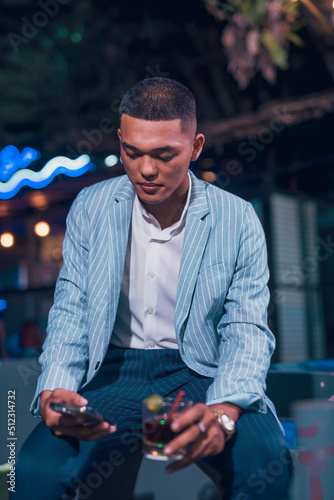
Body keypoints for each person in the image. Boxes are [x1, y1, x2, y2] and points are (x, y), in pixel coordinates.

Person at [14, 78, 291, 500]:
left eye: (165, 155)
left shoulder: (236, 219)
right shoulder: (91, 207)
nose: (146, 170)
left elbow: (246, 328)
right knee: (34, 472)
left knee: (266, 464)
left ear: (195, 147)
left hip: (200, 371)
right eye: (132, 152)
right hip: (113, 371)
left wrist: (224, 412)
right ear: (121, 140)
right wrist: (54, 390)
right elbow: (72, 308)